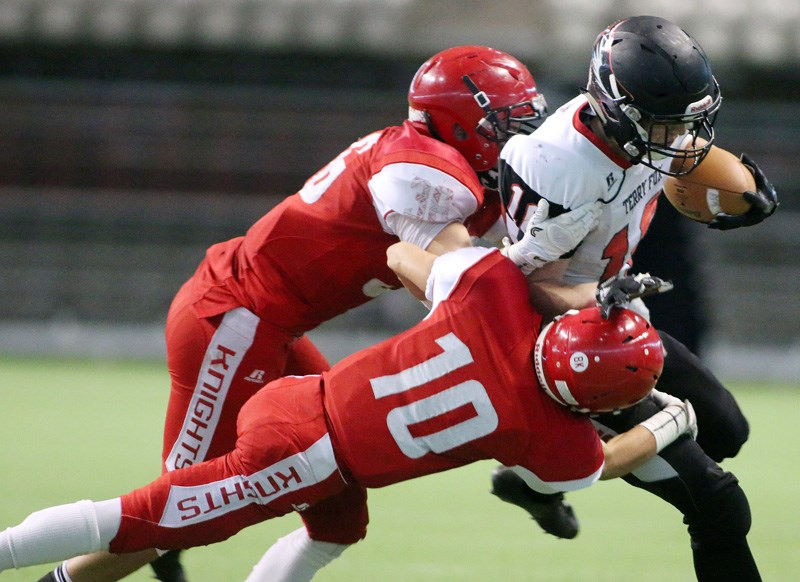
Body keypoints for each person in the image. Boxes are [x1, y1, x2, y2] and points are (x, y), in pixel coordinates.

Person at [37, 45, 553, 582]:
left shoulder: (451, 167)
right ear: (458, 124)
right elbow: (466, 284)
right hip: (235, 318)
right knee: (179, 513)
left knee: (338, 511)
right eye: (505, 123)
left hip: (273, 328)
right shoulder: (424, 171)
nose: (519, 137)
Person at [1, 242, 700, 581]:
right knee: (149, 516)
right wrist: (673, 420)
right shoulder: (549, 435)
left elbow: (402, 253)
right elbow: (602, 461)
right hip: (305, 452)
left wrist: (498, 293)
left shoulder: (492, 299)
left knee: (338, 530)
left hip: (303, 401)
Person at [491, 15, 776, 581]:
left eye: (686, 122)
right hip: (561, 343)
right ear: (619, 112)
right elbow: (525, 287)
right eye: (666, 125)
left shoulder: (638, 128)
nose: (681, 140)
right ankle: (554, 458)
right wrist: (598, 295)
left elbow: (678, 153)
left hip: (615, 318)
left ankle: (534, 478)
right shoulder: (561, 164)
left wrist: (735, 195)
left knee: (727, 432)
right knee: (718, 505)